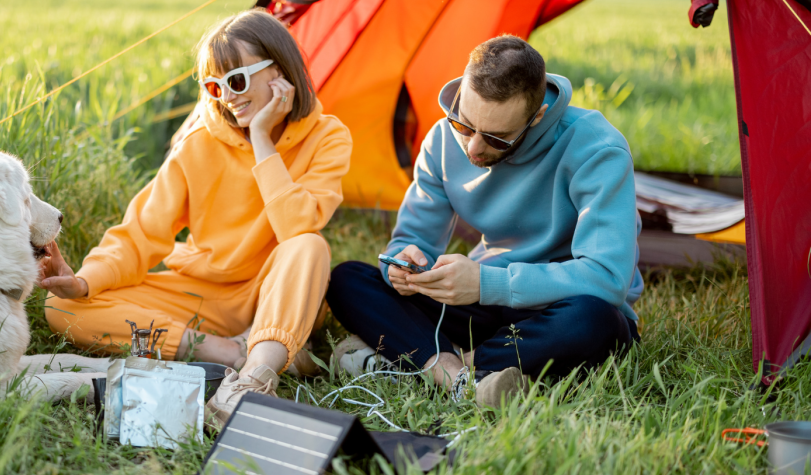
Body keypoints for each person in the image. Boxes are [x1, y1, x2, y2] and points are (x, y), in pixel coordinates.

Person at [40, 9, 352, 426]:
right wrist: (83, 282)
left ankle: (254, 377)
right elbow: (140, 233)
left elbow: (296, 226)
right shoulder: (198, 145)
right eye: (214, 86)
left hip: (275, 290)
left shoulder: (328, 136)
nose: (228, 97)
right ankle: (226, 352)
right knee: (62, 308)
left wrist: (261, 139)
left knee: (310, 245)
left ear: (278, 72)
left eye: (237, 80)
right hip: (202, 295)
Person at [326, 35, 643, 408]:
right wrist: (401, 264)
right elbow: (413, 239)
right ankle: (459, 375)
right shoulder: (443, 140)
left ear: (536, 116)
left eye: (497, 137)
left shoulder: (596, 148)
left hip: (558, 307)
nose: (473, 148)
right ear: (461, 94)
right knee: (349, 279)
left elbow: (607, 278)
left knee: (596, 322)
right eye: (465, 125)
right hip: (483, 303)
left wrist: (484, 283)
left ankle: (419, 361)